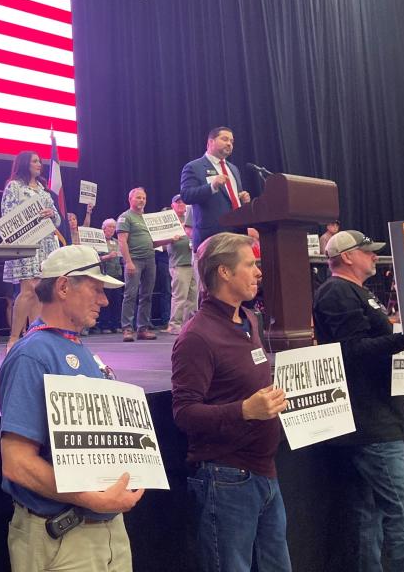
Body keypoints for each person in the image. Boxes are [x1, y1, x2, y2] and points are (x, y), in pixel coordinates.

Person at [0, 245, 143, 571]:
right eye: (96, 289)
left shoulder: (75, 347)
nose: (104, 301)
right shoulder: (32, 354)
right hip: (63, 536)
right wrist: (94, 499)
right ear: (63, 287)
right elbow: (17, 464)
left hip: (105, 532)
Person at [313, 230, 404, 572]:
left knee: (366, 512)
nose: (374, 256)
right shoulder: (337, 291)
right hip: (369, 420)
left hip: (374, 414)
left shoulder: (355, 291)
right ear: (346, 257)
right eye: (367, 251)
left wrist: (402, 334)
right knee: (403, 511)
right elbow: (352, 351)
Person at [172, 233, 289, 571]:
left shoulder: (248, 320)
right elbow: (184, 413)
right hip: (225, 478)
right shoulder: (197, 336)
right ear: (224, 272)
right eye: (250, 264)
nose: (258, 272)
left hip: (265, 473)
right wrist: (244, 410)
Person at [0, 152, 60, 351]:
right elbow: (8, 215)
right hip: (26, 242)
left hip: (46, 244)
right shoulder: (14, 186)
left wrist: (51, 214)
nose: (39, 164)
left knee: (39, 291)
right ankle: (14, 338)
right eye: (35, 161)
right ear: (25, 164)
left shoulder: (44, 190)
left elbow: (58, 220)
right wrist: (32, 215)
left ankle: (34, 336)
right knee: (28, 290)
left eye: (40, 161)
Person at [117, 188, 176, 342]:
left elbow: (154, 242)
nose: (141, 200)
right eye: (138, 197)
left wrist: (170, 239)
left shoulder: (148, 219)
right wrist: (128, 262)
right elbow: (122, 241)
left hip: (150, 259)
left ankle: (143, 328)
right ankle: (127, 329)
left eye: (144, 198)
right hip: (134, 260)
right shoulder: (125, 217)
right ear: (130, 199)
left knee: (147, 295)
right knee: (130, 294)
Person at [180, 127, 251, 250]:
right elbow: (186, 195)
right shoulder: (194, 167)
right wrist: (212, 186)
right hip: (213, 237)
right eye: (224, 139)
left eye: (232, 141)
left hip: (238, 232)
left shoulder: (233, 169)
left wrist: (243, 199)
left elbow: (232, 198)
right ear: (210, 142)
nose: (229, 143)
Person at [166, 196, 197, 336]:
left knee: (193, 297)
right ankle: (174, 325)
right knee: (180, 297)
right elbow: (161, 242)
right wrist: (171, 238)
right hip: (179, 263)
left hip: (192, 262)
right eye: (177, 202)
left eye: (183, 201)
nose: (181, 204)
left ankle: (188, 324)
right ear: (172, 205)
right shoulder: (170, 222)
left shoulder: (190, 219)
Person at [95, 218, 123, 335]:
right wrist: (107, 257)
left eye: (113, 227)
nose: (111, 229)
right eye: (109, 227)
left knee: (117, 301)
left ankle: (115, 324)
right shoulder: (98, 242)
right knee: (105, 301)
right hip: (104, 274)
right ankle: (104, 325)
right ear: (103, 228)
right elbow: (95, 258)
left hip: (117, 274)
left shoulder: (117, 242)